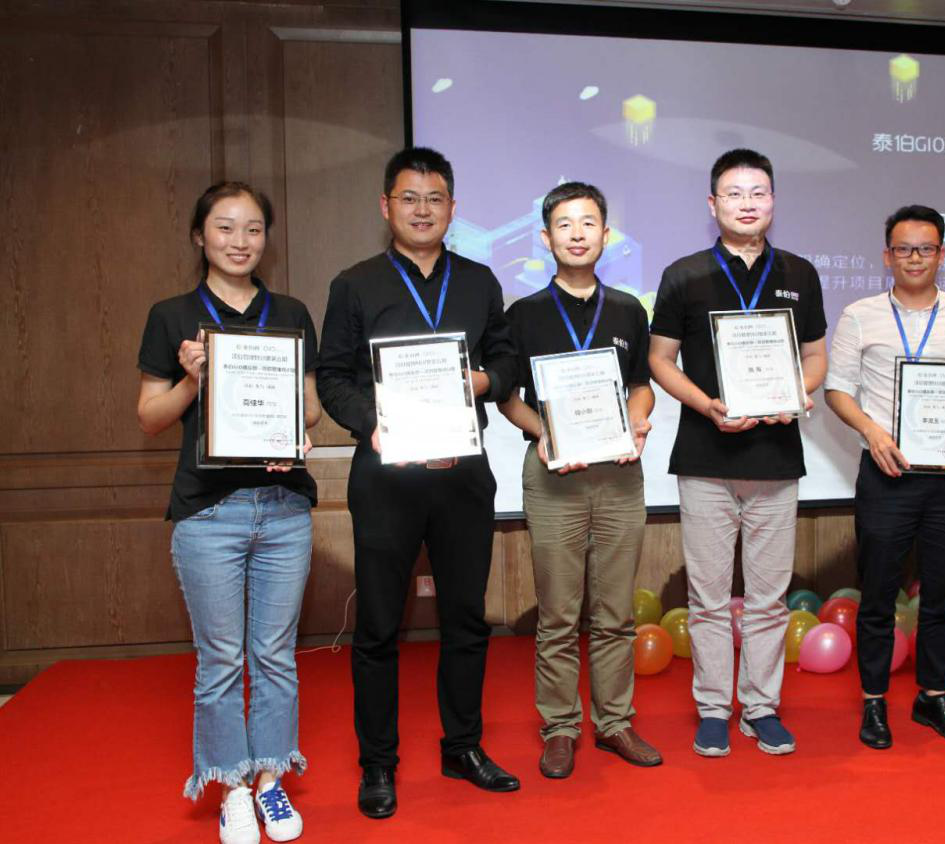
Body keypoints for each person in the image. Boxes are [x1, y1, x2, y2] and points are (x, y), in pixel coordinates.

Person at [316, 147, 520, 819]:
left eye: (435, 199)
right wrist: (370, 423)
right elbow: (333, 376)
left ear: (453, 209)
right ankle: (378, 764)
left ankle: (463, 748)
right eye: (409, 198)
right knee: (379, 626)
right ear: (386, 206)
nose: (422, 210)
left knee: (466, 619)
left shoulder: (479, 281)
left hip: (463, 475)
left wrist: (484, 380)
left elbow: (506, 358)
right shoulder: (355, 284)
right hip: (387, 476)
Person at [137, 181, 321, 844]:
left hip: (284, 508)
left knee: (275, 655)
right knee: (220, 659)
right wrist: (194, 379)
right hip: (208, 512)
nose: (240, 241)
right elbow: (150, 417)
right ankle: (232, 788)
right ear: (199, 235)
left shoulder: (290, 311)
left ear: (266, 238)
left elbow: (309, 409)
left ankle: (270, 779)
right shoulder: (172, 315)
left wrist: (294, 431)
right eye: (225, 227)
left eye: (253, 229)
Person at [648, 149, 827, 758]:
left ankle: (761, 706)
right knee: (707, 598)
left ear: (773, 200)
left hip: (776, 457)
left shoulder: (800, 272)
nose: (747, 204)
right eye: (734, 193)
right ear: (713, 203)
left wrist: (797, 395)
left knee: (769, 598)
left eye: (758, 193)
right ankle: (713, 708)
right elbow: (659, 360)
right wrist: (707, 405)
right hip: (705, 458)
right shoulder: (684, 274)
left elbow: (815, 357)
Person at [497, 181, 661, 778]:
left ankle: (615, 722)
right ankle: (561, 727)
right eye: (564, 224)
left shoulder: (628, 310)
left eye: (588, 223)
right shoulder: (523, 314)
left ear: (605, 235)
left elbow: (641, 384)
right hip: (554, 477)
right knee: (559, 615)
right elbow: (507, 397)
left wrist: (637, 422)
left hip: (618, 475)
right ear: (546, 238)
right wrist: (543, 431)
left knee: (615, 613)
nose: (577, 234)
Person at [824, 204, 945, 751]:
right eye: (904, 249)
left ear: (942, 254)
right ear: (887, 256)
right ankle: (874, 700)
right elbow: (837, 389)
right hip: (887, 473)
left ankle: (933, 695)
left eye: (925, 248)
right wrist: (872, 432)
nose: (915, 258)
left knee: (944, 593)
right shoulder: (860, 315)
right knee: (878, 593)